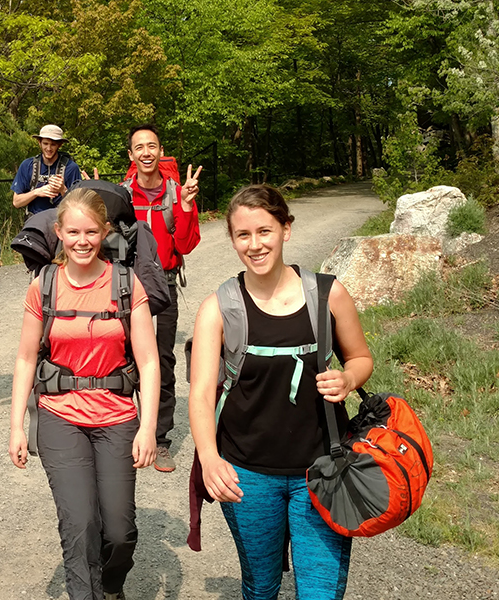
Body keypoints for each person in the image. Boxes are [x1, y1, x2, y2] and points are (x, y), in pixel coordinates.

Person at [188, 184, 373, 600]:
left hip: (324, 469)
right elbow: (200, 393)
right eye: (243, 235)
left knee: (320, 592)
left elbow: (361, 358)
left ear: (286, 229)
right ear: (233, 240)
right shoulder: (218, 307)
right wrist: (209, 458)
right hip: (247, 474)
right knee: (260, 587)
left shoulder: (328, 294)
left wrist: (348, 379)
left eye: (265, 231)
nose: (255, 245)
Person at [9, 188, 160, 600]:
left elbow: (148, 362)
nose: (82, 241)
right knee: (79, 526)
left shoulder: (127, 285)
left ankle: (111, 586)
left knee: (119, 531)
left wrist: (149, 428)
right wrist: (17, 427)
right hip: (60, 417)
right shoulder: (44, 286)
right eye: (72, 231)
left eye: (91, 232)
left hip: (117, 418)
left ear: (105, 232)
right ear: (58, 232)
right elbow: (25, 359)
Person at [124, 123, 202, 473]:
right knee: (124, 358)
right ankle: (127, 430)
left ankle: (160, 438)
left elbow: (186, 245)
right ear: (131, 155)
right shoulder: (122, 195)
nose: (145, 152)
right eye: (139, 147)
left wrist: (185, 206)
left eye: (151, 146)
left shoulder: (177, 193)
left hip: (165, 286)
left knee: (163, 360)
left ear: (160, 151)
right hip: (126, 288)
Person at [12, 124, 83, 215]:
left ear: (59, 145)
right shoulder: (27, 166)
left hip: (61, 221)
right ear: (39, 142)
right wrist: (36, 192)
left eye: (53, 144)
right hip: (34, 221)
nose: (48, 148)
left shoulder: (71, 168)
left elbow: (79, 205)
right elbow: (16, 202)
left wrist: (63, 190)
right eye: (45, 143)